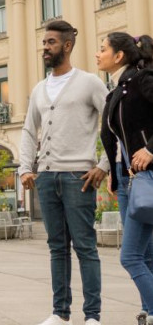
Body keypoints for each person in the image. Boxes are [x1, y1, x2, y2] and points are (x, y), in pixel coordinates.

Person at [18, 20, 109, 325]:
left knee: (85, 247)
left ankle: (92, 316)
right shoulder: (39, 89)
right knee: (57, 248)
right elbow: (29, 131)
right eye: (44, 43)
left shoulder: (90, 82)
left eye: (51, 43)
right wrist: (25, 168)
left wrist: (103, 165)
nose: (45, 48)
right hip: (46, 177)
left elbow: (114, 124)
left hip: (78, 177)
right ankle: (60, 312)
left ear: (67, 46)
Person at [97, 32, 153, 325]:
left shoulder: (142, 80)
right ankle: (149, 308)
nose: (97, 54)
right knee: (146, 254)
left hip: (146, 175)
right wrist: (113, 171)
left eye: (103, 49)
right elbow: (117, 137)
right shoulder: (117, 89)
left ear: (119, 56)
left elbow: (139, 137)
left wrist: (150, 149)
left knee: (130, 256)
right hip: (126, 177)